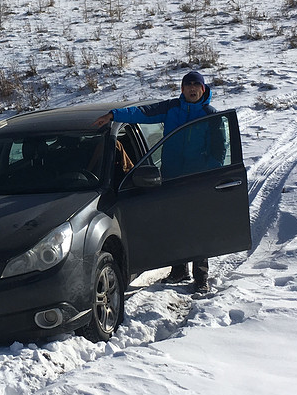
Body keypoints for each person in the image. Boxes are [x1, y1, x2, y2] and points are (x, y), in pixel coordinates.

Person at [93, 70, 217, 288]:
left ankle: (201, 278)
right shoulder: (171, 109)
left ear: (203, 89)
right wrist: (113, 115)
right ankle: (179, 270)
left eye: (196, 85)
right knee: (175, 224)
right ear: (182, 89)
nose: (192, 88)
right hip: (172, 177)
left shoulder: (210, 114)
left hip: (196, 179)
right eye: (187, 85)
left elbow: (219, 147)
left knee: (198, 227)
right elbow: (142, 112)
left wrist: (212, 175)